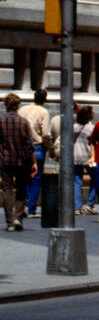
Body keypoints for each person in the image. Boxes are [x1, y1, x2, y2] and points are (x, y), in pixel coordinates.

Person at [0, 93, 38, 230]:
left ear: (6, 104)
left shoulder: (1, 121)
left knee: (7, 190)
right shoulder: (23, 122)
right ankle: (18, 218)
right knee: (21, 189)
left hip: (5, 160)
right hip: (22, 161)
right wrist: (34, 162)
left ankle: (10, 221)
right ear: (17, 105)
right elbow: (29, 144)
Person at [20, 88, 50, 218]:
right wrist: (50, 147)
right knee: (36, 179)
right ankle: (31, 209)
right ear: (44, 99)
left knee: (24, 177)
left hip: (22, 147)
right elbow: (45, 133)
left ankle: (23, 206)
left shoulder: (22, 109)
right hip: (37, 147)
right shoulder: (43, 111)